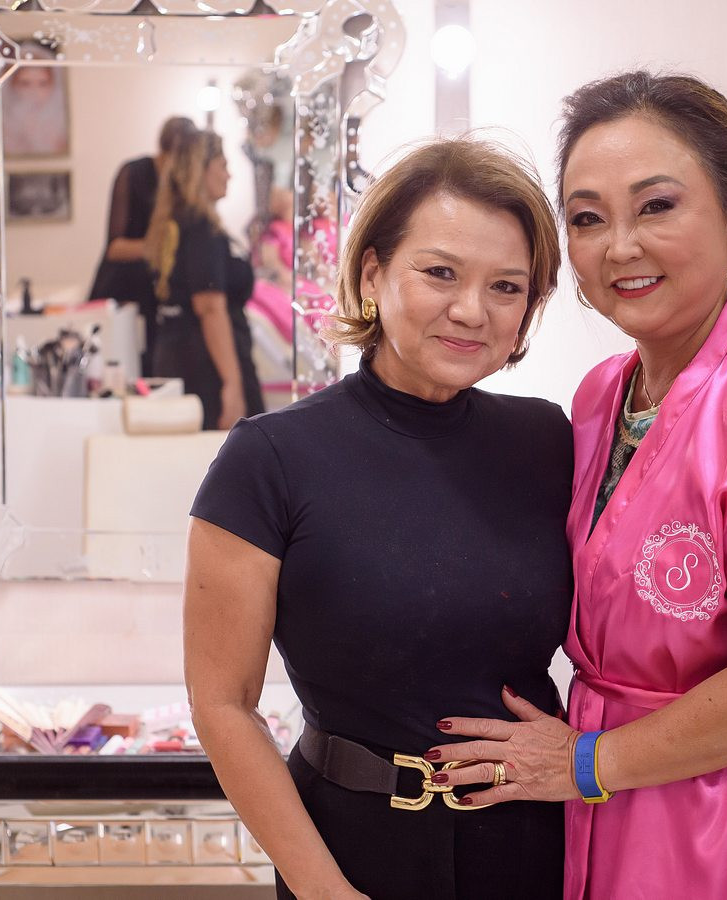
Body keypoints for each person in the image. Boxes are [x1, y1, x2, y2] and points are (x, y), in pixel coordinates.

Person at [428, 72, 727, 899]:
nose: (619, 247)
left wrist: (588, 762)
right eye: (587, 218)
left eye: (656, 206)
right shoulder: (605, 394)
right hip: (615, 793)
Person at [184, 139, 570, 899]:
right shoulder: (270, 458)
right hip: (347, 848)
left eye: (506, 286)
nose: (472, 310)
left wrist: (589, 755)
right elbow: (222, 705)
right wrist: (325, 890)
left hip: (532, 842)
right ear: (372, 274)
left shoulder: (550, 440)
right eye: (440, 273)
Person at [145, 129, 264, 429]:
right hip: (207, 369)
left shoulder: (177, 222)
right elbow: (210, 308)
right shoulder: (200, 228)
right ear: (201, 170)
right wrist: (232, 384)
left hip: (181, 357)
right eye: (223, 166)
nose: (229, 175)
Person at [89, 115, 197, 376]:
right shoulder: (133, 173)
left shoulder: (183, 185)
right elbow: (115, 248)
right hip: (123, 289)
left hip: (159, 295)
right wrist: (162, 247)